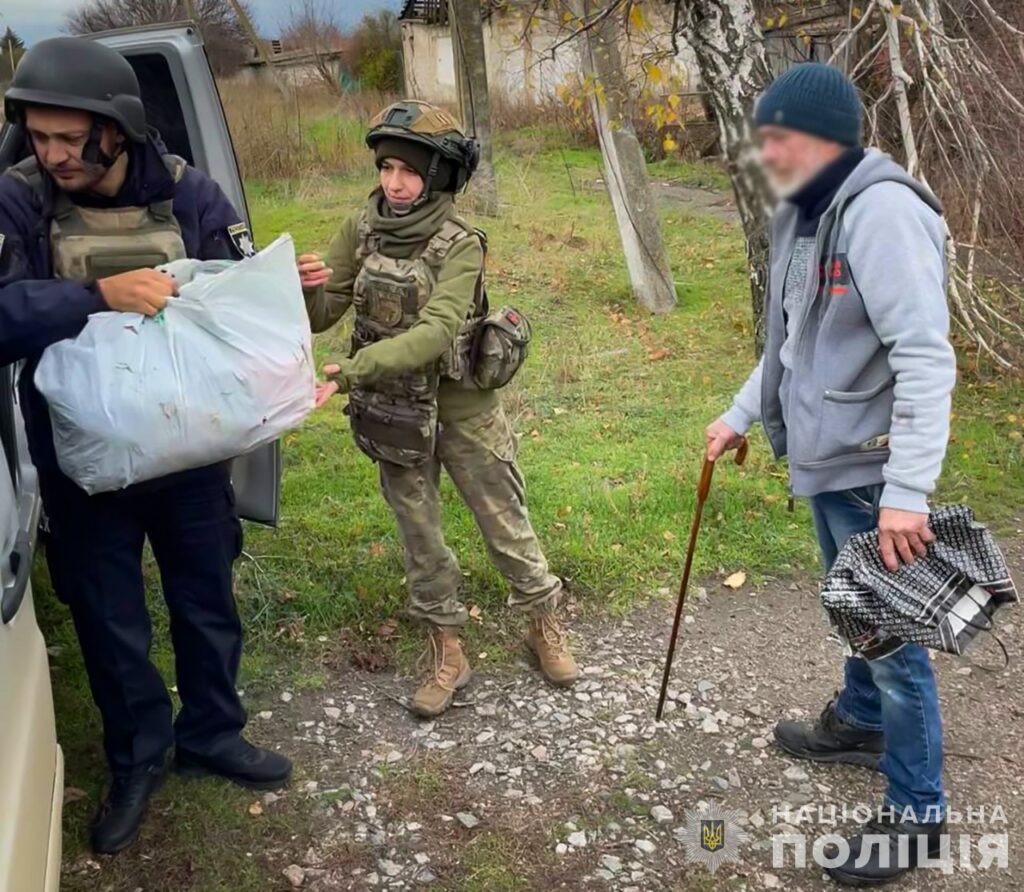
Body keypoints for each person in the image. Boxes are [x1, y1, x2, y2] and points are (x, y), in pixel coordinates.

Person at [0, 38, 291, 855]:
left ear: (117, 131)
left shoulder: (188, 191)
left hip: (185, 442)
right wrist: (93, 296)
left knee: (207, 597)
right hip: (82, 461)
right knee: (108, 616)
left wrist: (283, 292)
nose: (50, 153)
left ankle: (212, 732)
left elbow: (235, 294)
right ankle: (137, 757)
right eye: (38, 134)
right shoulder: (18, 200)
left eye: (68, 138)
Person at [705, 63, 956, 885]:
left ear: (823, 138)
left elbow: (924, 358)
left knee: (893, 638)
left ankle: (917, 811)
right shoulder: (803, 212)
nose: (762, 152)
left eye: (774, 138)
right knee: (851, 603)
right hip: (826, 455)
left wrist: (907, 496)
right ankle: (858, 721)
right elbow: (789, 338)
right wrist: (741, 413)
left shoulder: (881, 212)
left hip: (874, 468)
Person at [298, 100, 579, 718]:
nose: (394, 183)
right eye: (386, 167)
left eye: (410, 171)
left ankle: (542, 622)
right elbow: (325, 316)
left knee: (504, 523)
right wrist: (306, 289)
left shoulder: (460, 245)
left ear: (441, 176)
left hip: (463, 409)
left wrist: (354, 371)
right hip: (392, 412)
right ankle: (447, 647)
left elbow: (435, 332)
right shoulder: (358, 230)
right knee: (420, 535)